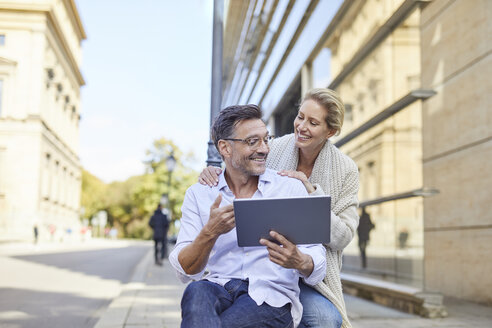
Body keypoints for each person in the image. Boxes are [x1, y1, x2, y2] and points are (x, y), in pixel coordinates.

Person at [199, 88, 359, 328]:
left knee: (326, 319)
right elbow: (240, 165)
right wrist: (215, 170)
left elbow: (343, 236)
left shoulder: (346, 170)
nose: (302, 126)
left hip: (311, 275)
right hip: (267, 267)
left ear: (331, 131)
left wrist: (310, 193)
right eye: (301, 116)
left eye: (313, 123)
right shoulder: (274, 148)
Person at [169, 104, 327, 328]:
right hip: (218, 286)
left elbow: (317, 255)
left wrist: (299, 260)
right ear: (225, 147)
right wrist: (209, 233)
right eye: (253, 142)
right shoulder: (200, 194)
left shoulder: (289, 188)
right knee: (195, 291)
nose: (264, 149)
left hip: (270, 296)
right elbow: (184, 271)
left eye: (266, 139)